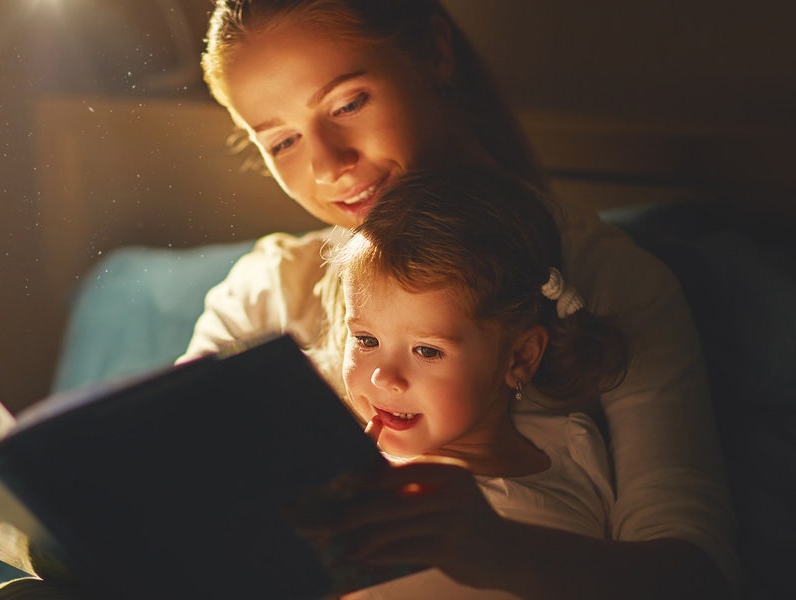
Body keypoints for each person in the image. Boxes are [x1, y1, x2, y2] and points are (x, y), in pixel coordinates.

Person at [181, 0, 738, 598]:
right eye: (282, 141)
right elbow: (170, 498)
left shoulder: (612, 284)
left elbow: (697, 575)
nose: (328, 165)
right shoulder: (262, 294)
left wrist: (500, 552)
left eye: (348, 104)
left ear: (434, 54)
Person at [302, 169, 624, 598]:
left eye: (427, 351)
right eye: (366, 340)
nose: (383, 377)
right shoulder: (339, 470)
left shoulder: (574, 447)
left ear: (521, 356)